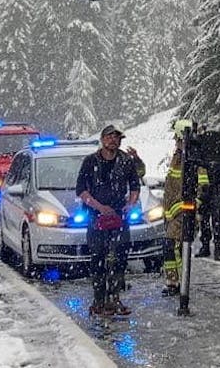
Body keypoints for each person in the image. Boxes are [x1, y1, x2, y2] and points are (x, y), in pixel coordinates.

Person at [76, 124, 141, 316]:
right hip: (96, 218)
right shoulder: (90, 162)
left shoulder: (125, 161)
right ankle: (98, 300)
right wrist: (99, 207)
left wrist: (130, 204)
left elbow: (135, 186)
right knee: (98, 257)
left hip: (119, 217)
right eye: (110, 137)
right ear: (103, 139)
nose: (114, 140)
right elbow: (81, 190)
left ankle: (114, 298)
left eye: (117, 137)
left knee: (120, 257)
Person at [160, 118, 210, 296]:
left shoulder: (194, 157)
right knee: (170, 247)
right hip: (173, 213)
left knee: (176, 247)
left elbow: (203, 188)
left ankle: (180, 284)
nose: (177, 142)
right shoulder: (178, 157)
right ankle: (174, 281)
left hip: (184, 212)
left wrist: (195, 207)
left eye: (179, 139)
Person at [196, 158, 220, 260]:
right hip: (205, 194)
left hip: (215, 193)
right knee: (205, 221)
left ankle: (216, 247)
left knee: (215, 221)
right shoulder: (203, 157)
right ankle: (206, 246)